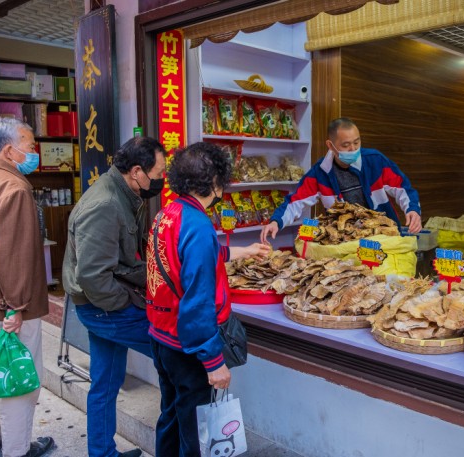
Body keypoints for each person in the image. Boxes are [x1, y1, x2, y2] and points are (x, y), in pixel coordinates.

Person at [146, 142, 269, 457]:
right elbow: (198, 300)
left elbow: (187, 260)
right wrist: (213, 362)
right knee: (195, 434)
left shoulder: (168, 213)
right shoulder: (198, 225)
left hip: (162, 338)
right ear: (215, 183)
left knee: (172, 416)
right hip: (187, 347)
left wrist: (244, 251)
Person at [62, 136, 166, 457]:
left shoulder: (124, 194)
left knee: (105, 383)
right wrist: (127, 305)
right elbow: (93, 277)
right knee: (170, 353)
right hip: (102, 306)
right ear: (137, 171)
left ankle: (102, 453)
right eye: (159, 172)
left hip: (103, 303)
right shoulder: (105, 204)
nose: (162, 179)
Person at [0, 118, 55, 457]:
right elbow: (11, 252)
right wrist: (15, 307)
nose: (34, 153)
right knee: (17, 380)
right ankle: (16, 450)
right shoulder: (12, 188)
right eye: (29, 146)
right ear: (8, 149)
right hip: (7, 307)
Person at [261, 117, 422, 243]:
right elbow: (295, 201)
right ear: (331, 145)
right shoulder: (320, 173)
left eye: (356, 142)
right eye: (346, 145)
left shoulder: (375, 161)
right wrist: (276, 222)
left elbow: (403, 188)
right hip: (345, 242)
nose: (353, 149)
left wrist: (412, 210)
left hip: (383, 238)